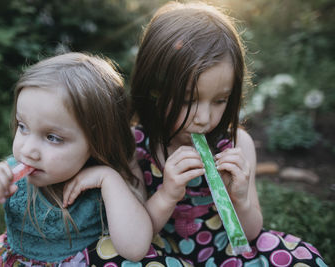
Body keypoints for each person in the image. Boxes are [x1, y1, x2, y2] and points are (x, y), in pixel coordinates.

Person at [129, 1, 327, 266]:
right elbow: (135, 236)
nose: (204, 119)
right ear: (154, 90)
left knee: (299, 258)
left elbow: (251, 233)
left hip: (225, 254)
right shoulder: (135, 147)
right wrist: (167, 195)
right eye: (188, 101)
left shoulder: (236, 145)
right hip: (161, 256)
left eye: (220, 100)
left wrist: (240, 198)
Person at [0, 52, 154, 266]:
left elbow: (135, 249)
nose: (29, 150)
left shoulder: (110, 179)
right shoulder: (10, 177)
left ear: (99, 142)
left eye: (53, 137)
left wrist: (109, 179)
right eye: (23, 126)